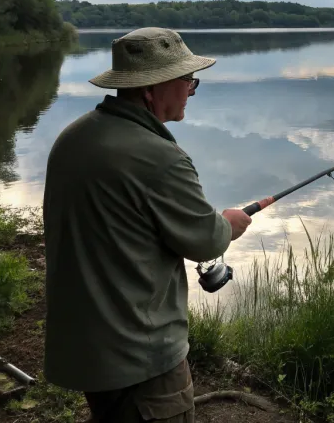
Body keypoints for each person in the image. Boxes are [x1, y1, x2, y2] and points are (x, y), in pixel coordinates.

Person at [42, 27, 252, 422]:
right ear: (151, 89)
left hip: (87, 347)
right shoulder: (159, 157)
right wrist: (228, 223)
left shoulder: (74, 137)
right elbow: (207, 242)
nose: (191, 89)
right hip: (140, 355)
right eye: (186, 80)